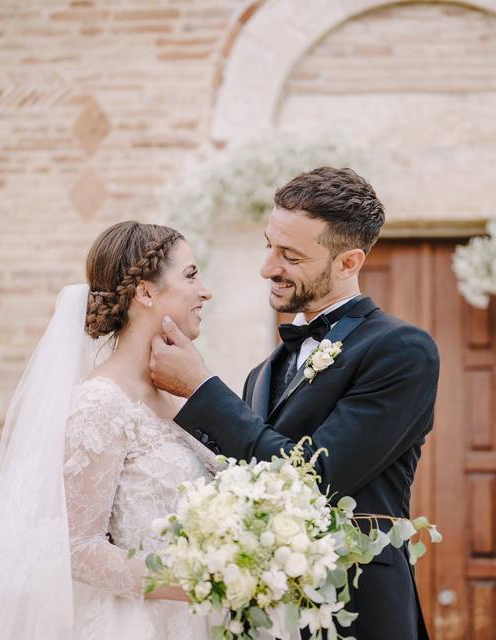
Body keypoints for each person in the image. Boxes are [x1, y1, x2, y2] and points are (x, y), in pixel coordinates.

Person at [150, 167, 440, 640]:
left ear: (349, 263)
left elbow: (316, 478)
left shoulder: (402, 350)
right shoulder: (261, 372)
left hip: (359, 608)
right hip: (266, 613)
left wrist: (201, 389)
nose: (267, 267)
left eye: (290, 255)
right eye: (269, 245)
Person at [0, 222, 215, 640]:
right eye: (192, 275)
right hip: (138, 623)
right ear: (145, 292)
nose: (204, 292)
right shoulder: (100, 404)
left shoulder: (179, 397)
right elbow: (78, 548)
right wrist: (199, 583)